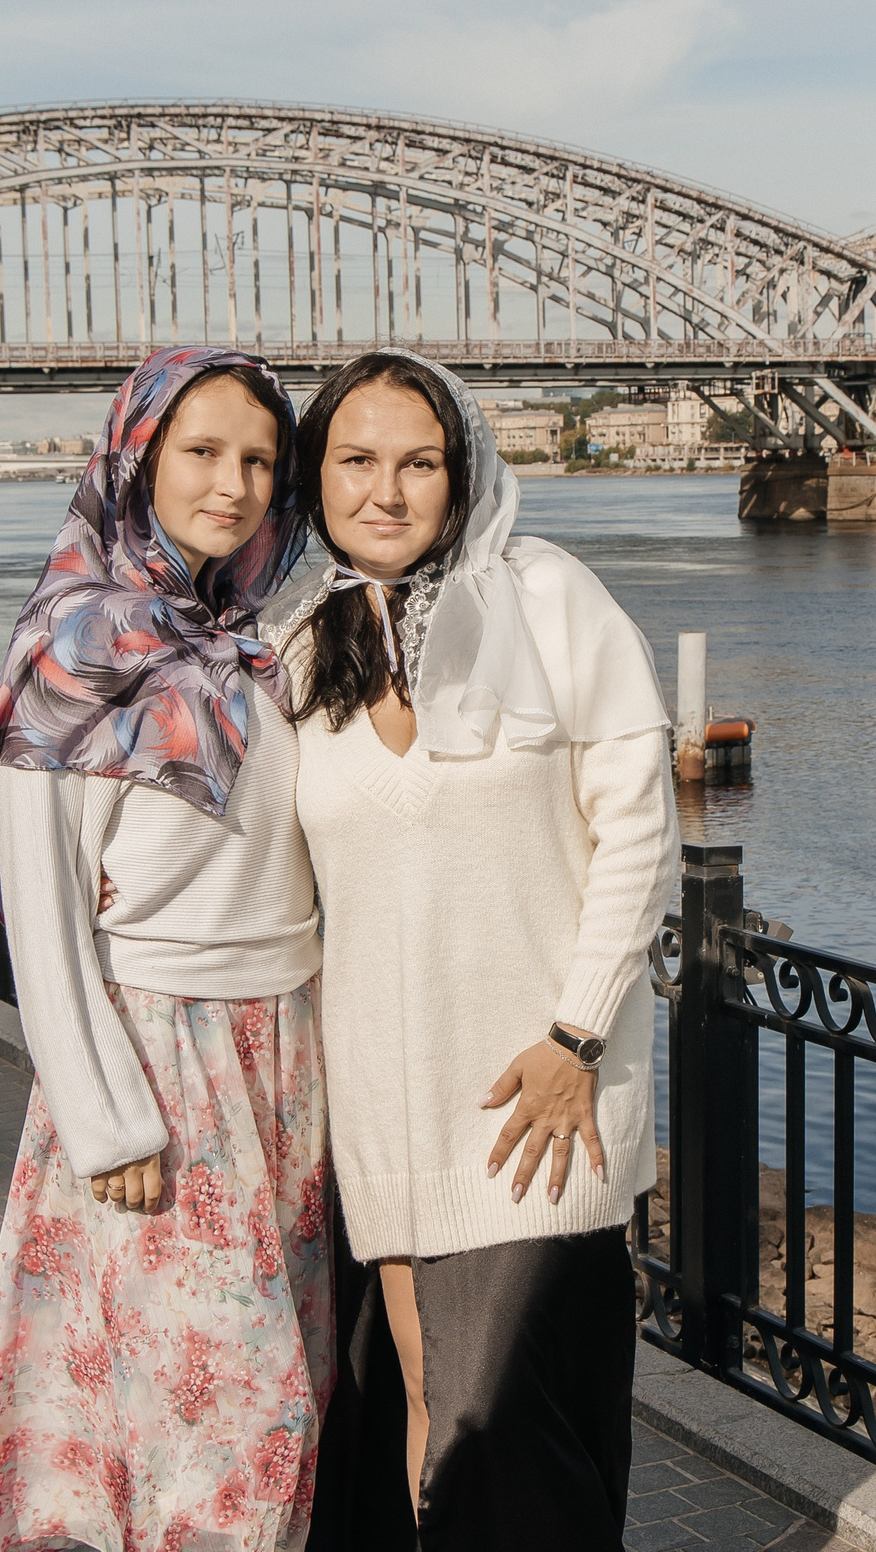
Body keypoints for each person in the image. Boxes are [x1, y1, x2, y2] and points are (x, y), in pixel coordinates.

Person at [0, 346, 332, 1552]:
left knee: (173, 1409)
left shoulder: (255, 638)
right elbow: (41, 903)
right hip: (161, 1057)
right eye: (202, 452)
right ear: (136, 458)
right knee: (248, 1417)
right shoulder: (80, 644)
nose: (236, 483)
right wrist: (106, 1121)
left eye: (260, 458)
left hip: (290, 1058)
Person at [281, 350, 679, 1549]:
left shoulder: (549, 595)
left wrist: (576, 1035)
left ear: (462, 475)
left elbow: (640, 827)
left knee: (518, 1433)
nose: (386, 492)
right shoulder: (302, 640)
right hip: (386, 1113)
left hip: (536, 1100)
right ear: (319, 477)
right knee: (427, 1410)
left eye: (419, 463)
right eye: (355, 461)